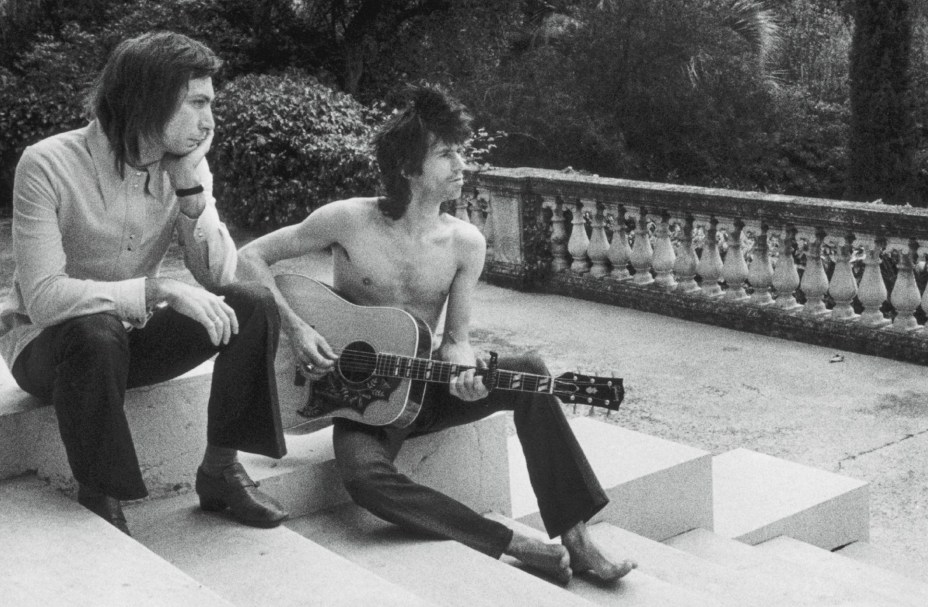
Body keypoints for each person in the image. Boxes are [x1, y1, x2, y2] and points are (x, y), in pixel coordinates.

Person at [237, 85, 636, 585]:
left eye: (459, 150)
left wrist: (463, 371)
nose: (462, 163)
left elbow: (456, 338)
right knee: (364, 480)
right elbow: (249, 258)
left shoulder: (465, 243)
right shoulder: (346, 220)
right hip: (360, 398)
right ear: (408, 167)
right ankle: (511, 543)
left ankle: (577, 540)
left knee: (532, 372)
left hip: (425, 385)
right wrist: (294, 329)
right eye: (446, 153)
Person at [0, 31, 288, 535]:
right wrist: (157, 290)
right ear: (148, 98)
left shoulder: (185, 167)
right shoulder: (47, 163)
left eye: (210, 103)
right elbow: (45, 299)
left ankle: (220, 470)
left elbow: (218, 276)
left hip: (127, 345)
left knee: (252, 302)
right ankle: (102, 495)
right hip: (48, 350)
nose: (209, 121)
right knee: (96, 330)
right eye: (197, 102)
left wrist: (192, 193)